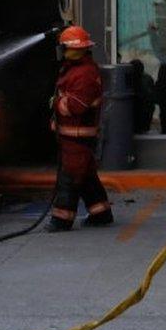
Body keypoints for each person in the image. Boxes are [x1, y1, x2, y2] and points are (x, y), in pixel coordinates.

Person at [46, 26, 113, 232]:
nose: (61, 51)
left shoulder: (84, 74)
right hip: (72, 135)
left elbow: (75, 106)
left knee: (70, 177)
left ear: (73, 49)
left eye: (64, 47)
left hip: (78, 137)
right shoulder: (75, 70)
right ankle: (101, 213)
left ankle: (61, 220)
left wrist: (57, 103)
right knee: (86, 176)